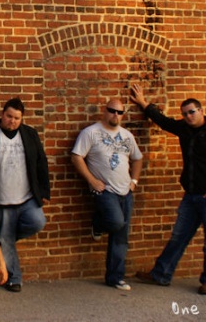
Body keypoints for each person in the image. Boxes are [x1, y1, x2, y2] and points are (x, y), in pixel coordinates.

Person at [128, 83, 206, 295]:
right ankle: (161, 274)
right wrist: (143, 103)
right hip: (191, 196)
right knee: (178, 236)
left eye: (192, 112)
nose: (188, 116)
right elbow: (164, 122)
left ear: (201, 111)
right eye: (185, 114)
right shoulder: (185, 130)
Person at [0, 97, 51, 292]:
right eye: (9, 116)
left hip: (26, 197)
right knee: (4, 237)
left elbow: (41, 163)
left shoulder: (30, 135)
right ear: (2, 114)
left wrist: (44, 190)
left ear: (22, 119)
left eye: (16, 118)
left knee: (37, 222)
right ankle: (14, 278)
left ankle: (4, 241)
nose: (12, 121)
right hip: (0, 200)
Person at [71, 99, 143, 291]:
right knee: (116, 222)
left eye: (120, 112)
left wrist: (134, 182)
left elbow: (138, 159)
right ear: (105, 111)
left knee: (121, 237)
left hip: (125, 191)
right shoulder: (91, 132)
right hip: (104, 191)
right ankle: (98, 222)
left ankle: (115, 277)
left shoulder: (127, 136)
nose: (115, 115)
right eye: (112, 111)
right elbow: (76, 156)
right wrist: (91, 180)